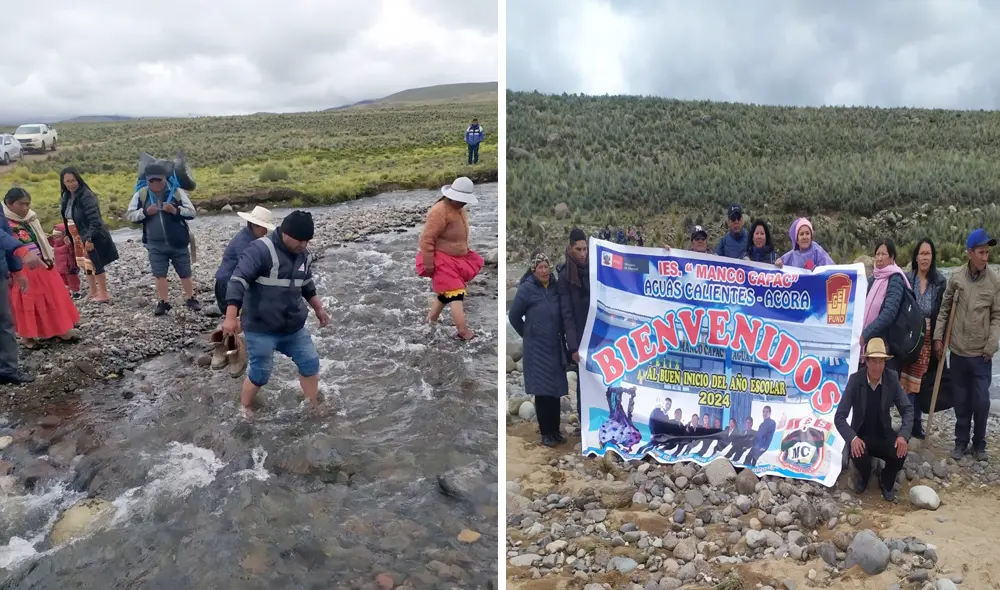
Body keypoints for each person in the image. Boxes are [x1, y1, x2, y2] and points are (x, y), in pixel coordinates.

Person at [223, 211, 330, 419]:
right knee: (260, 373)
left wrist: (318, 308)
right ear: (286, 233)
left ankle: (313, 405)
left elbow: (306, 283)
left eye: (307, 241)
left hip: (293, 327)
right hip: (261, 327)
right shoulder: (260, 249)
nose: (304, 245)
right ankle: (245, 407)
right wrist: (230, 317)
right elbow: (238, 280)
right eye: (300, 240)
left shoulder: (304, 255)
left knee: (310, 362)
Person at [934, 229, 1000, 462]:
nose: (985, 257)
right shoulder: (957, 278)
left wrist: (991, 345)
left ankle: (979, 444)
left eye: (987, 252)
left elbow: (997, 316)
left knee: (981, 402)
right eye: (981, 252)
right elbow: (944, 310)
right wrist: (938, 337)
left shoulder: (994, 282)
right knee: (961, 401)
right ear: (969, 253)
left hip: (982, 354)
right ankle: (960, 442)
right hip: (959, 352)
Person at [835, 338, 912, 501]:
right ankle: (865, 475)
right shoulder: (855, 380)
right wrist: (853, 438)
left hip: (884, 434)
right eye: (874, 361)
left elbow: (907, 408)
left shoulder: (892, 378)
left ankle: (886, 480)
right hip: (862, 435)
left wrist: (903, 435)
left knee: (900, 453)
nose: (878, 367)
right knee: (858, 454)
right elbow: (840, 417)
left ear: (885, 362)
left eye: (881, 362)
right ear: (866, 361)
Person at [2, 188, 81, 349]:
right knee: (26, 302)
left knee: (52, 296)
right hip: (20, 268)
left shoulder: (31, 217)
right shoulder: (4, 221)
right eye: (21, 204)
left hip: (43, 262)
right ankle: (27, 336)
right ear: (9, 204)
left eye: (27, 204)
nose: (25, 208)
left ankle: (57, 329)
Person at [507, 252, 568, 447]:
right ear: (533, 269)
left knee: (556, 390)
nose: (544, 270)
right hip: (537, 348)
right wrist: (529, 335)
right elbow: (514, 316)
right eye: (539, 267)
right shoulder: (527, 289)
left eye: (546, 266)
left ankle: (556, 430)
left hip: (554, 346)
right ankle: (546, 433)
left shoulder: (555, 287)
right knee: (542, 392)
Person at [125, 163, 200, 315]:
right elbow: (130, 215)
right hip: (154, 243)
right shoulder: (141, 194)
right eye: (151, 181)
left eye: (158, 180)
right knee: (159, 274)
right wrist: (146, 212)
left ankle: (191, 298)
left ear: (165, 178)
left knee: (185, 272)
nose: (155, 183)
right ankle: (163, 302)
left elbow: (192, 212)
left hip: (178, 242)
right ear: (147, 180)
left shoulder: (177, 192)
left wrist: (175, 210)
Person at [416, 176, 484, 341]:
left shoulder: (459, 209)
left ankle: (430, 321)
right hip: (440, 258)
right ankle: (462, 331)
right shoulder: (439, 211)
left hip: (455, 258)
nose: (463, 203)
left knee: (446, 293)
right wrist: (429, 263)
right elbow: (426, 239)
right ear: (451, 196)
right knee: (455, 292)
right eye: (461, 200)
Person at [903, 238, 946, 439]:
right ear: (916, 256)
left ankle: (916, 424)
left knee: (919, 381)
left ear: (932, 257)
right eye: (921, 253)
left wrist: (940, 339)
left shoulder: (939, 283)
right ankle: (908, 424)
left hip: (928, 337)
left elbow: (943, 312)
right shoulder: (907, 279)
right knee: (907, 380)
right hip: (910, 337)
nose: (924, 257)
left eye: (928, 253)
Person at [59, 168, 118, 302]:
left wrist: (90, 238)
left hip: (88, 234)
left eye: (73, 180)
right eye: (67, 181)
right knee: (85, 264)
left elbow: (95, 220)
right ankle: (93, 291)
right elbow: (67, 217)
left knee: (95, 262)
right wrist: (67, 234)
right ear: (63, 183)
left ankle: (104, 293)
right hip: (76, 235)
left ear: (78, 179)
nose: (71, 184)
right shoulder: (67, 196)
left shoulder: (86, 195)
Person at [861, 239, 910, 374]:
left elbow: (889, 313)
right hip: (871, 345)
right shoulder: (873, 279)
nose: (880, 258)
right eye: (877, 254)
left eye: (883, 254)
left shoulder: (896, 279)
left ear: (892, 257)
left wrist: (865, 334)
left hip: (887, 345)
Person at [215, 206, 275, 313]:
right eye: (264, 228)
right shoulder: (244, 242)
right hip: (227, 285)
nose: (266, 231)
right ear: (254, 225)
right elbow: (247, 267)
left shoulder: (251, 237)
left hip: (231, 282)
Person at [557, 228, 590, 417]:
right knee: (583, 381)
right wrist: (573, 347)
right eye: (579, 249)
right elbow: (566, 313)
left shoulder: (595, 268)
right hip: (579, 337)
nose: (583, 254)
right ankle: (584, 423)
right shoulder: (565, 276)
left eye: (585, 249)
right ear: (570, 249)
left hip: (597, 336)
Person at [49, 224, 81, 299]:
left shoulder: (68, 243)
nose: (55, 238)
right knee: (63, 279)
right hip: (59, 266)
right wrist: (48, 238)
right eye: (54, 236)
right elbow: (50, 242)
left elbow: (73, 251)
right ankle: (67, 291)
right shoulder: (55, 244)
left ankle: (76, 292)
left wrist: (69, 244)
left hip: (69, 265)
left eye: (57, 235)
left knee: (72, 279)